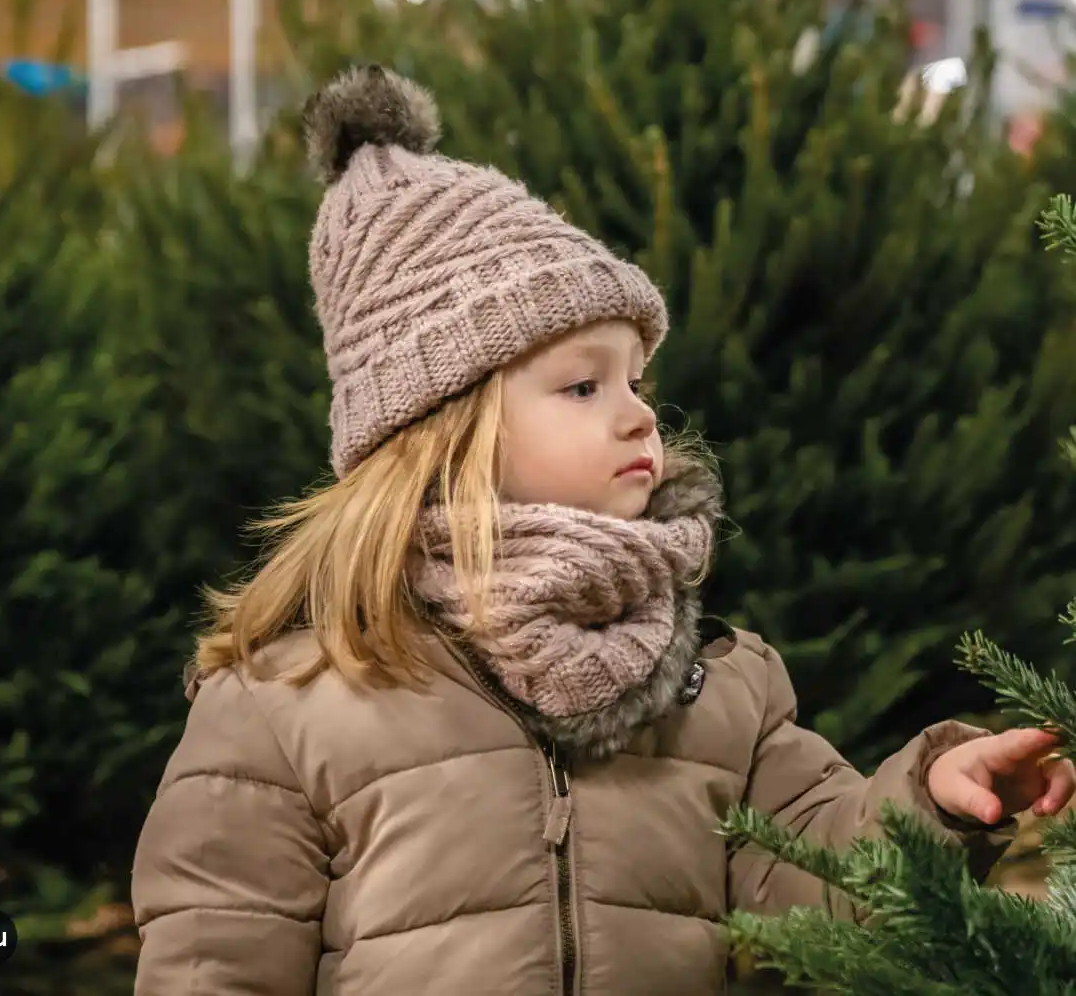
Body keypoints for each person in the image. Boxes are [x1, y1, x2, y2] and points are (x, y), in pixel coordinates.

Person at [131, 64, 1074, 995]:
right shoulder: (290, 706)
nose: (638, 417)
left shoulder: (713, 693)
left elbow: (818, 882)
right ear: (443, 429)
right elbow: (215, 963)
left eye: (637, 382)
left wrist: (933, 803)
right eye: (583, 386)